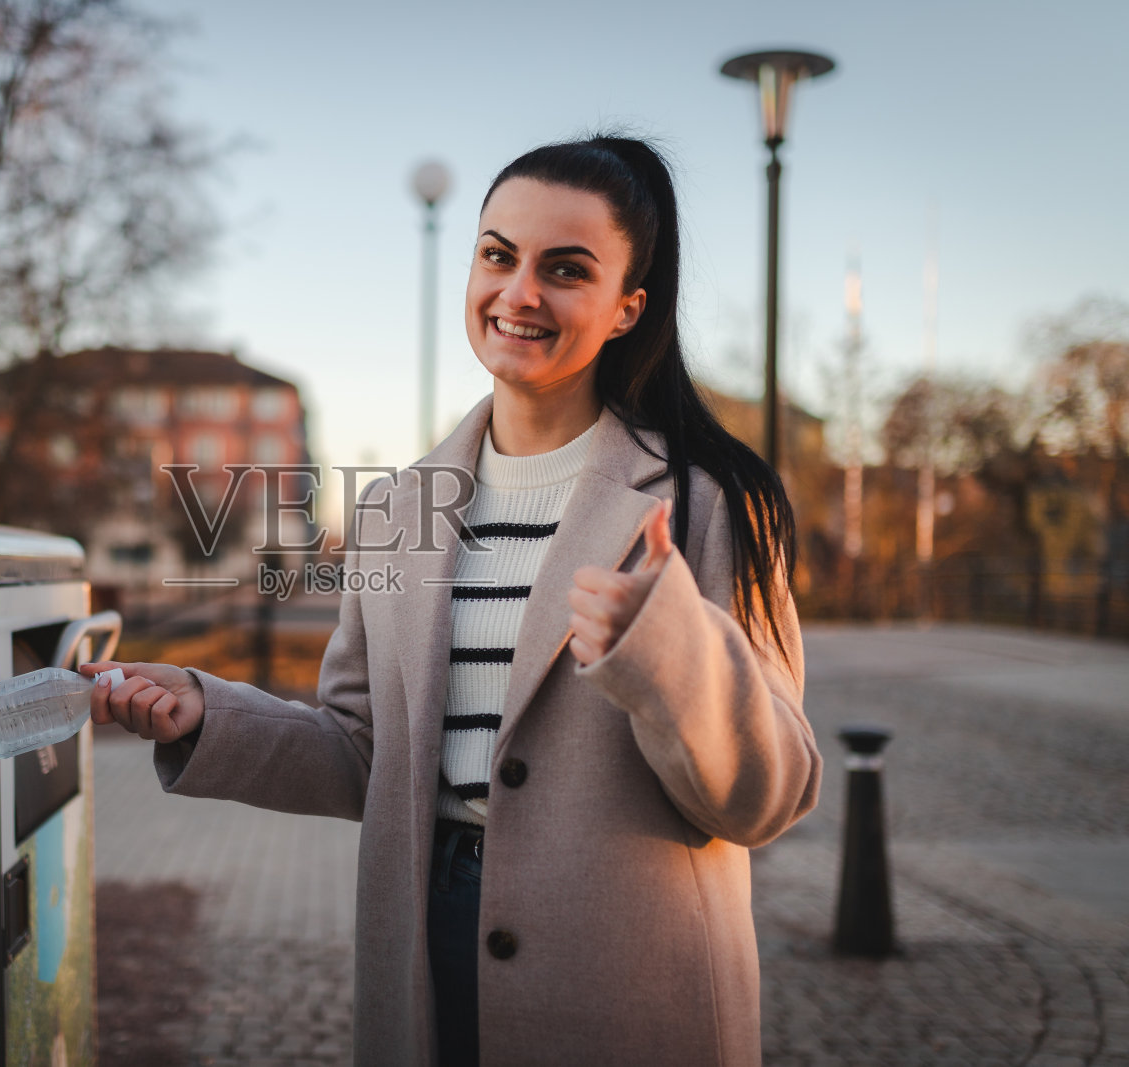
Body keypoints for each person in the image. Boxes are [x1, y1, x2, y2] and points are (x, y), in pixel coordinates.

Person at [82, 134, 821, 1067]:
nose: (520, 292)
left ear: (627, 308)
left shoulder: (709, 501)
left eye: (567, 269)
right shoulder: (396, 508)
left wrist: (669, 657)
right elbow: (364, 752)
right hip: (423, 950)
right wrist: (206, 712)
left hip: (625, 977)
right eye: (498, 255)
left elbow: (769, 795)